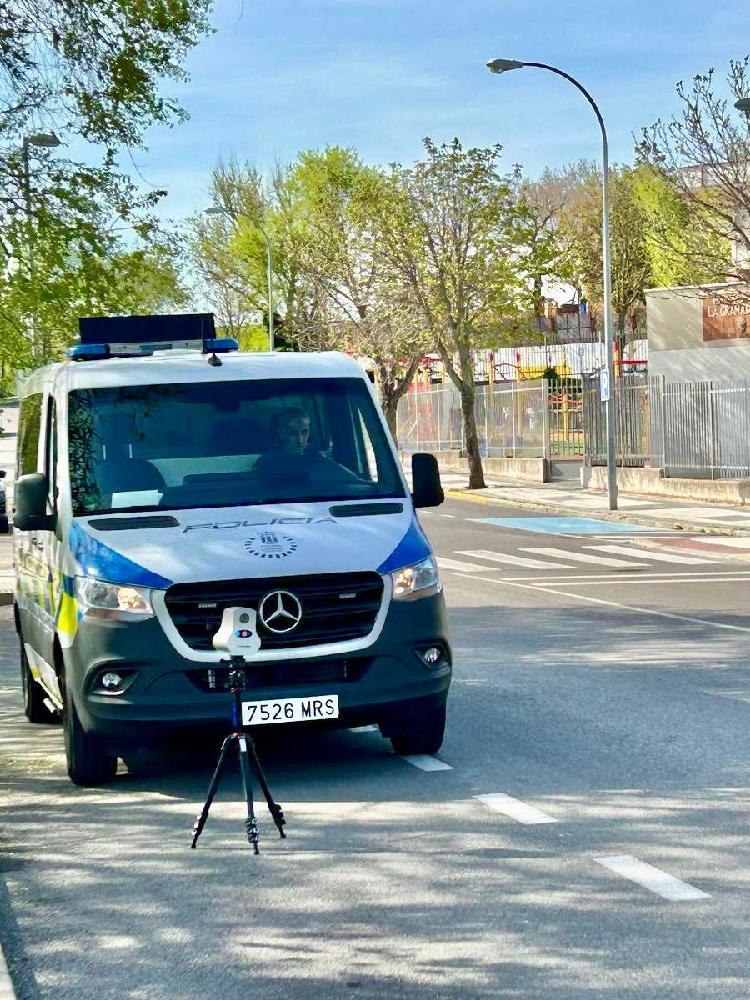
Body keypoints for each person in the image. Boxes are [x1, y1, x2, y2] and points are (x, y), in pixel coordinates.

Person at [254, 407, 361, 484]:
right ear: (281, 433)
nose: (300, 440)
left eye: (304, 432)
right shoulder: (267, 463)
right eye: (293, 433)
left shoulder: (319, 459)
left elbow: (352, 481)